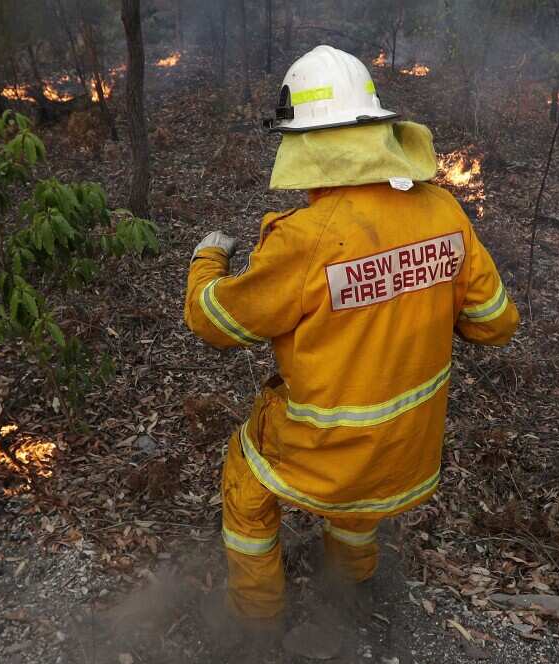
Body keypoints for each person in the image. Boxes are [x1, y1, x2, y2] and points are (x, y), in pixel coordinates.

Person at [184, 45, 519, 626]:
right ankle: (349, 588)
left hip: (325, 449)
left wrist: (207, 259)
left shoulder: (307, 237)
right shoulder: (443, 210)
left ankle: (257, 621)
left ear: (304, 145)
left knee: (247, 482)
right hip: (404, 450)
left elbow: (214, 322)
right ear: (376, 130)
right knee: (357, 508)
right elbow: (495, 325)